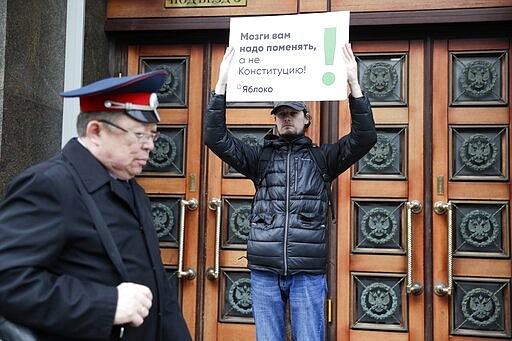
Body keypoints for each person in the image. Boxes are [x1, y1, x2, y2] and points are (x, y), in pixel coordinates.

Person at [0, 70, 192, 341]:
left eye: (153, 135)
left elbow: (157, 286)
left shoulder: (130, 187)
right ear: (95, 131)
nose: (150, 146)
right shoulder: (50, 185)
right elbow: (9, 281)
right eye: (139, 135)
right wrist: (106, 303)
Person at [204, 43, 377, 341]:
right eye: (280, 113)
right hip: (265, 271)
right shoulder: (259, 159)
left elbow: (365, 137)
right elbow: (215, 137)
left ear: (306, 118)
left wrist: (353, 84)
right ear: (273, 118)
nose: (286, 117)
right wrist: (222, 85)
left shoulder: (323, 159)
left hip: (307, 273)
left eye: (293, 112)